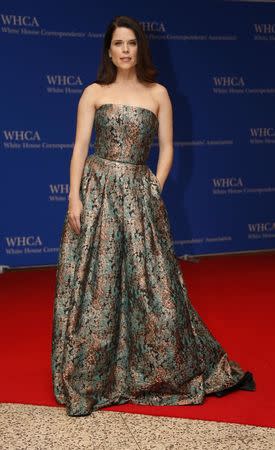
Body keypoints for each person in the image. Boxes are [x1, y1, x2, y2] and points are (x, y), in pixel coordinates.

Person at [51, 15, 256, 417]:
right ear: (108, 51)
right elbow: (78, 149)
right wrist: (73, 198)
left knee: (154, 286)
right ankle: (91, 377)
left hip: (139, 194)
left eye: (131, 43)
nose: (125, 50)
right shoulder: (93, 92)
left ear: (139, 49)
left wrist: (154, 186)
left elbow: (167, 148)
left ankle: (159, 366)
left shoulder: (159, 93)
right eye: (118, 44)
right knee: (99, 285)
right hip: (98, 192)